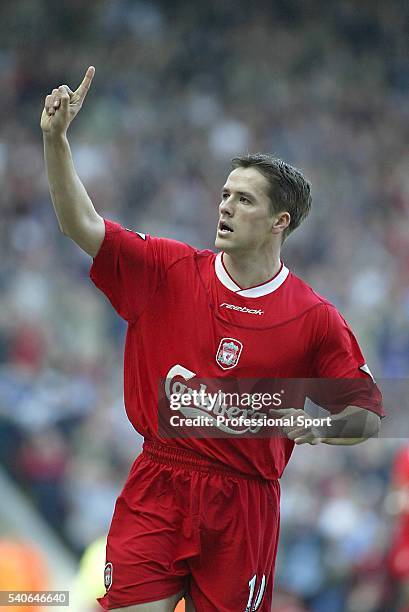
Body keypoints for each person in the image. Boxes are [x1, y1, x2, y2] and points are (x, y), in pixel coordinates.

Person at [41, 67, 384, 612]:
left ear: (280, 221)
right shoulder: (168, 268)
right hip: (161, 482)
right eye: (225, 195)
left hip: (243, 506)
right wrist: (55, 141)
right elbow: (80, 222)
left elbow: (367, 413)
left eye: (245, 200)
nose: (225, 206)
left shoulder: (314, 317)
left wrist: (318, 424)